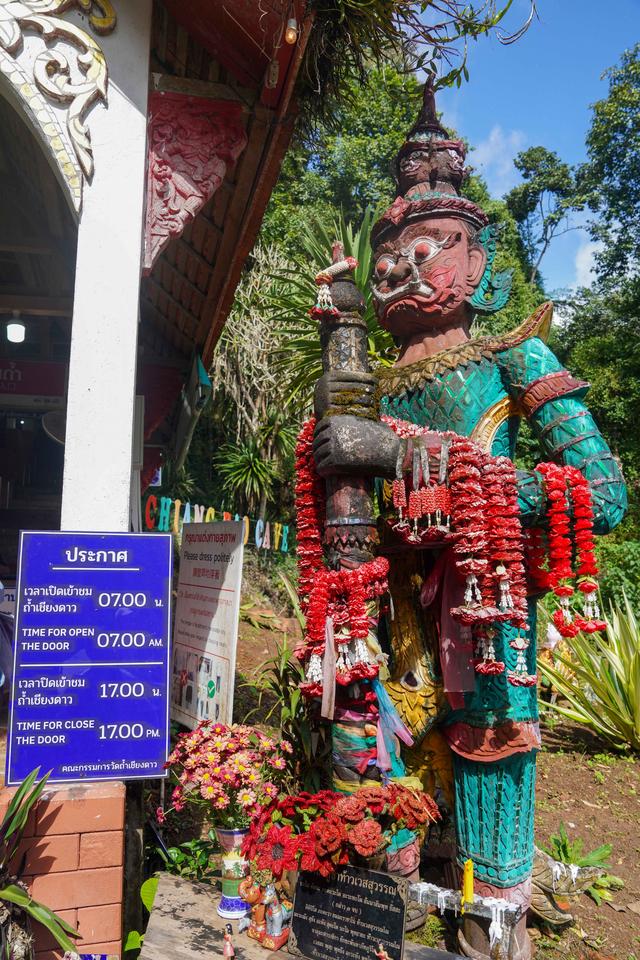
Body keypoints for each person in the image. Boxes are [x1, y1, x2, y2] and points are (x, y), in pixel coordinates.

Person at [309, 79, 626, 960]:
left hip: (488, 598)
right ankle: (390, 897)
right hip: (395, 598)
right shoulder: (371, 374)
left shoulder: (513, 353)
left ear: (477, 261)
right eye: (387, 256)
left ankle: (496, 919)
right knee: (375, 730)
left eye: (429, 247)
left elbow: (601, 492)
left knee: (489, 740)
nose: (398, 271)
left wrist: (430, 463)